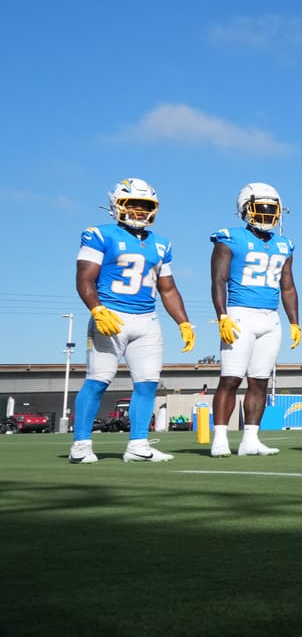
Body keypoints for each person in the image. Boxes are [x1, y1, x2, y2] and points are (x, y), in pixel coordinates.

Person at [68, 178, 195, 464]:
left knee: (148, 383)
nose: (139, 210)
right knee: (98, 380)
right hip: (111, 315)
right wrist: (97, 309)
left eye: (145, 205)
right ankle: (81, 444)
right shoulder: (99, 234)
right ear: (117, 204)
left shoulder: (162, 244)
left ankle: (138, 444)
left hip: (148, 320)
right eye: (132, 204)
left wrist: (183, 322)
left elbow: (168, 288)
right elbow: (84, 278)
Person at [209, 183, 301, 457]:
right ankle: (220, 439)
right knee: (231, 378)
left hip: (270, 318)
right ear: (244, 210)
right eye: (259, 209)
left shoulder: (284, 244)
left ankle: (251, 438)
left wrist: (295, 321)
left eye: (270, 210)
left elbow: (288, 286)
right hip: (240, 314)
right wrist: (222, 315)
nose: (265, 215)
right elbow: (218, 280)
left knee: (260, 380)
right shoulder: (230, 238)